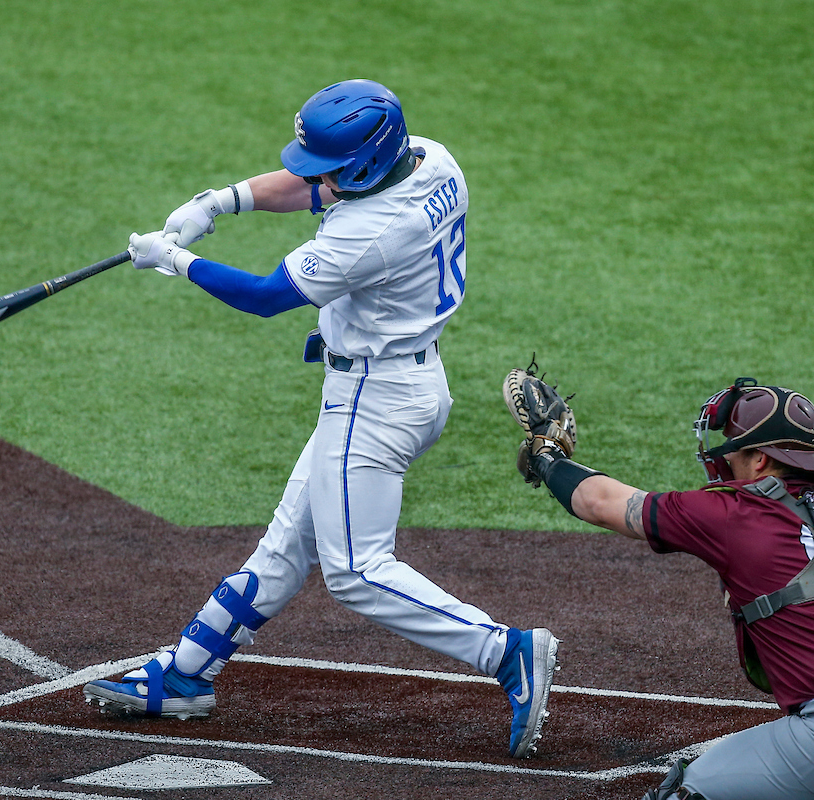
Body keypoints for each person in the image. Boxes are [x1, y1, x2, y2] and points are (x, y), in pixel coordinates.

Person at [82, 79, 560, 759]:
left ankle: (506, 652)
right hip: (405, 383)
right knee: (282, 551)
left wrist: (176, 260)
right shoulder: (430, 157)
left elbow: (265, 297)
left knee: (357, 571)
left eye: (332, 166)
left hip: (375, 402)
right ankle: (186, 674)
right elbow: (314, 186)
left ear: (364, 162)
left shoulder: (370, 233)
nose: (319, 178)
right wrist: (219, 202)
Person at [515, 377, 814, 799]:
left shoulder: (735, 513)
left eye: (734, 449)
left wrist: (546, 457)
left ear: (761, 460)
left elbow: (599, 503)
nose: (725, 459)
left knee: (683, 793)